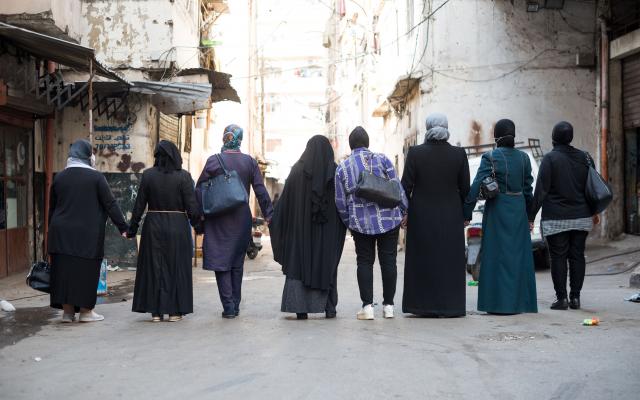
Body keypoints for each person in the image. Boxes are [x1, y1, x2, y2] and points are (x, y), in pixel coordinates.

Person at [196, 124, 273, 318]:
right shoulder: (249, 162)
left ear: (224, 138)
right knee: (237, 263)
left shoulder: (214, 161)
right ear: (240, 138)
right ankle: (235, 304)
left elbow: (199, 189)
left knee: (221, 261)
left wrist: (199, 217)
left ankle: (228, 306)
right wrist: (269, 215)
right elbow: (260, 190)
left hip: (217, 219)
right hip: (241, 220)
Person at [48, 139, 128, 323]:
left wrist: (50, 233)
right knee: (86, 271)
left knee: (64, 273)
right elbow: (110, 204)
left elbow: (52, 208)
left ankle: (67, 313)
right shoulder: (96, 178)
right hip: (87, 235)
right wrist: (123, 227)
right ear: (87, 156)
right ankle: (85, 312)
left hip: (60, 234)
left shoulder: (59, 177)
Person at [463, 119, 538, 315]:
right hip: (519, 209)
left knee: (497, 257)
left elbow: (477, 184)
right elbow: (529, 190)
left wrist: (466, 212)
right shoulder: (524, 158)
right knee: (518, 257)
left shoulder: (490, 157)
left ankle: (497, 304)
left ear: (496, 137)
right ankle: (521, 303)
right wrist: (530, 217)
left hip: (497, 210)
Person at [401, 114, 470, 317]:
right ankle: (451, 306)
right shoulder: (459, 154)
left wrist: (404, 212)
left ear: (427, 128)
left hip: (421, 216)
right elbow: (465, 189)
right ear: (446, 129)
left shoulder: (415, 153)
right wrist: (466, 215)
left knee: (423, 260)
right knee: (449, 261)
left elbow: (404, 187)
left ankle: (421, 306)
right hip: (451, 216)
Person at [335, 126, 408, 320]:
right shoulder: (383, 159)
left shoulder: (342, 168)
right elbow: (397, 188)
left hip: (360, 223)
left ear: (350, 145)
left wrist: (349, 222)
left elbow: (340, 201)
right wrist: (403, 211)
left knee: (364, 262)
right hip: (388, 220)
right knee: (389, 261)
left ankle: (367, 307)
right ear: (367, 143)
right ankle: (389, 307)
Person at [271, 135, 347, 320]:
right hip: (327, 233)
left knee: (299, 262)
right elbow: (342, 205)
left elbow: (283, 207)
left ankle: (300, 309)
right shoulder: (335, 173)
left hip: (300, 234)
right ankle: (329, 308)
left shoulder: (297, 171)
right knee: (327, 264)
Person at [127, 141, 201, 322]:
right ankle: (175, 311)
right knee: (176, 267)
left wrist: (132, 229)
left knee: (154, 267)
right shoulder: (184, 177)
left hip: (153, 225)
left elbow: (139, 206)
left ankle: (156, 312)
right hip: (177, 225)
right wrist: (198, 226)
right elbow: (192, 206)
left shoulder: (148, 175)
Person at [529, 122, 599, 311]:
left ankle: (562, 299)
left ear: (553, 137)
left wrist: (531, 216)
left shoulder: (550, 159)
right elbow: (593, 187)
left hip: (556, 217)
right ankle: (575, 298)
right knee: (577, 256)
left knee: (558, 258)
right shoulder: (585, 157)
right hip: (581, 216)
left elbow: (541, 191)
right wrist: (595, 212)